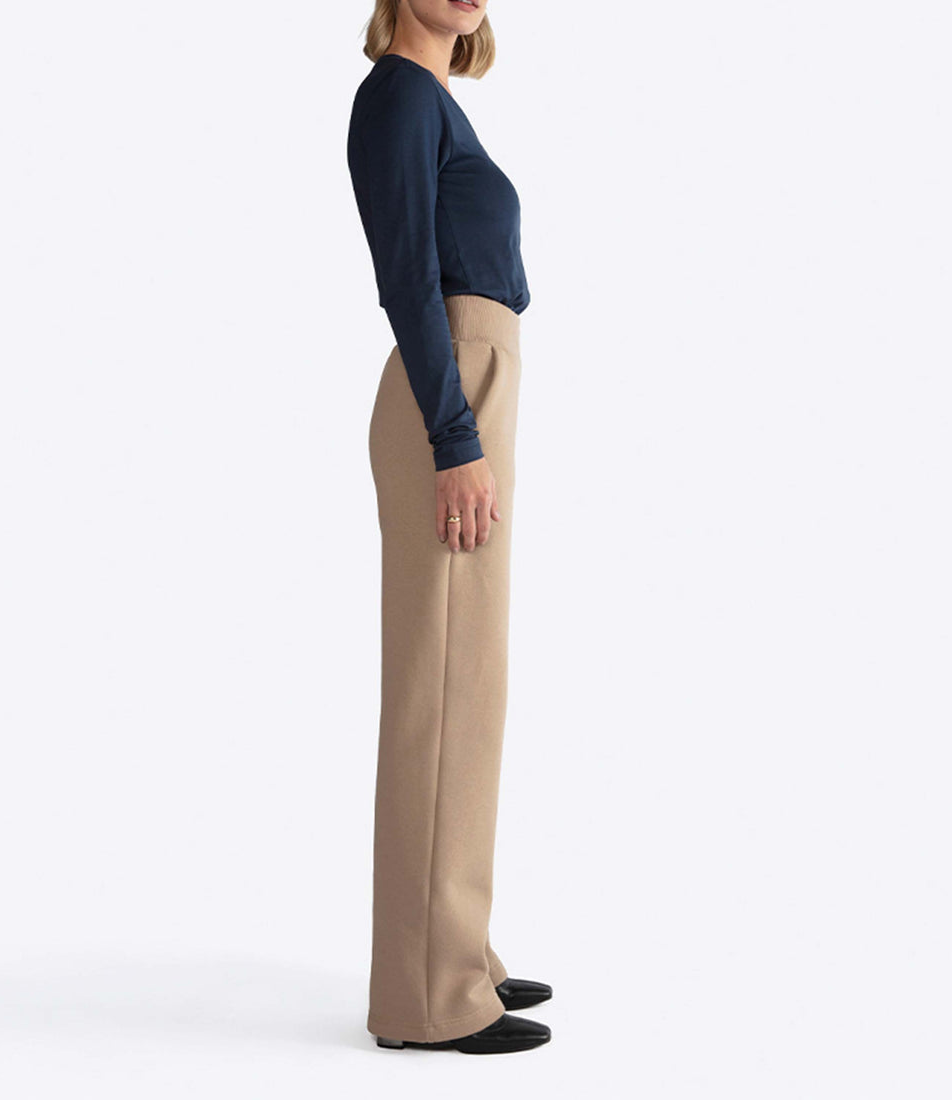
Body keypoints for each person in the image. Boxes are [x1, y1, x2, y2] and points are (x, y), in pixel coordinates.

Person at [346, 1, 552, 1055]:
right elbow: (408, 278)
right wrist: (454, 435)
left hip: (474, 379)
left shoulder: (433, 102)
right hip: (452, 392)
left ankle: (457, 946)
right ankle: (427, 994)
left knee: (469, 683)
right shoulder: (396, 96)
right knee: (443, 686)